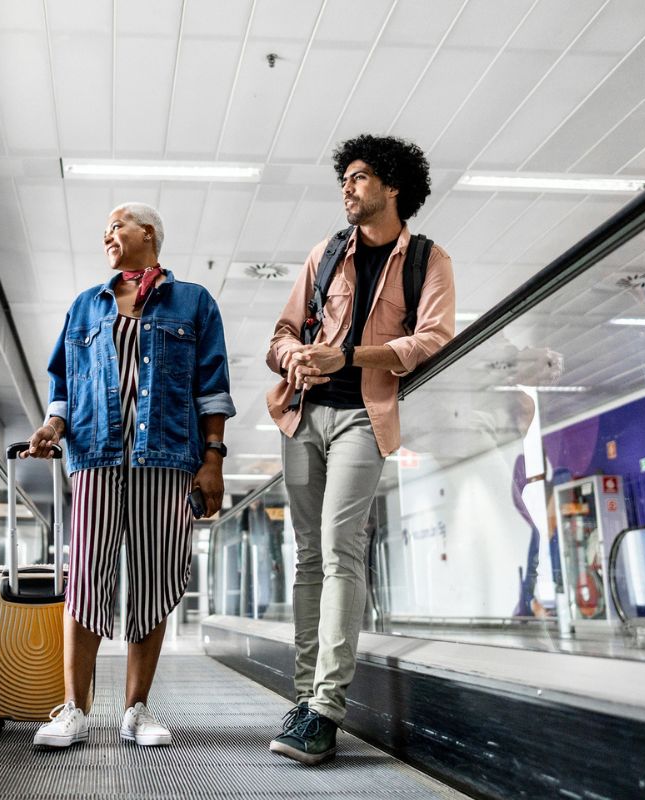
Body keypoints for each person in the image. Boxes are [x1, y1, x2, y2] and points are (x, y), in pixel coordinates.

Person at [265, 135, 455, 764]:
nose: (347, 187)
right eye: (344, 178)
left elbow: (431, 339)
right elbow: (282, 333)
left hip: (361, 420)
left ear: (393, 185)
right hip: (302, 416)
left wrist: (347, 355)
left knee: (341, 551)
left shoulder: (429, 261)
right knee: (308, 558)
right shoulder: (325, 254)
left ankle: (325, 707)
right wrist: (295, 356)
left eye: (359, 177)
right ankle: (302, 698)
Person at [23, 202, 235, 748]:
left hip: (166, 460)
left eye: (116, 225)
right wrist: (52, 425)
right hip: (95, 456)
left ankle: (136, 709)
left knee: (154, 579)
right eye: (105, 230)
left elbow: (211, 386)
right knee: (87, 580)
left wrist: (213, 458)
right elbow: (63, 382)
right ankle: (73, 709)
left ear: (149, 233)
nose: (108, 235)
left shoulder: (192, 302)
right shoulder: (86, 307)